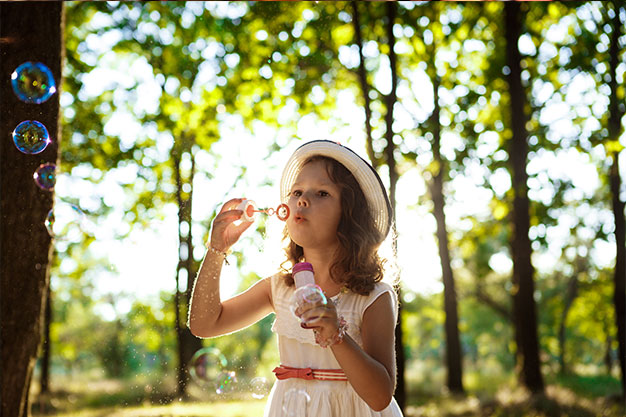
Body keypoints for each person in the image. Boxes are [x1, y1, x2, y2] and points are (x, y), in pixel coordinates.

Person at [189, 140, 403, 416]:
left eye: (322, 193)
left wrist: (336, 335)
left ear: (350, 216)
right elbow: (205, 324)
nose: (302, 199)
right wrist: (217, 249)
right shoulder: (278, 287)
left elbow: (380, 397)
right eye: (297, 191)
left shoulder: (373, 296)